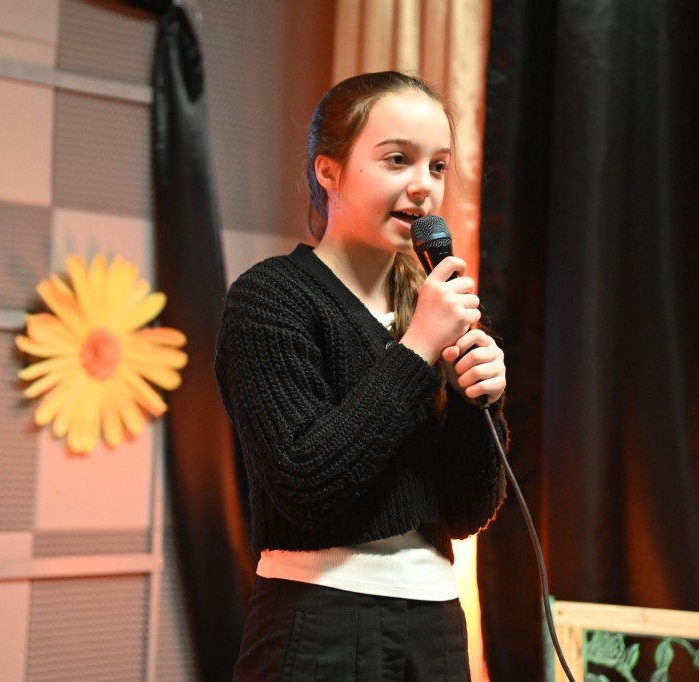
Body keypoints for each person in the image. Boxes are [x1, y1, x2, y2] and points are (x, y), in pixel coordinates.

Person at [215, 71, 509, 681]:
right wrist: (417, 349)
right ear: (328, 171)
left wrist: (477, 402)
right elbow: (306, 485)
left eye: (437, 166)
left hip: (436, 623)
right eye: (398, 159)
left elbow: (466, 512)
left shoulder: (430, 306)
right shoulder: (270, 298)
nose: (423, 186)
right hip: (317, 617)